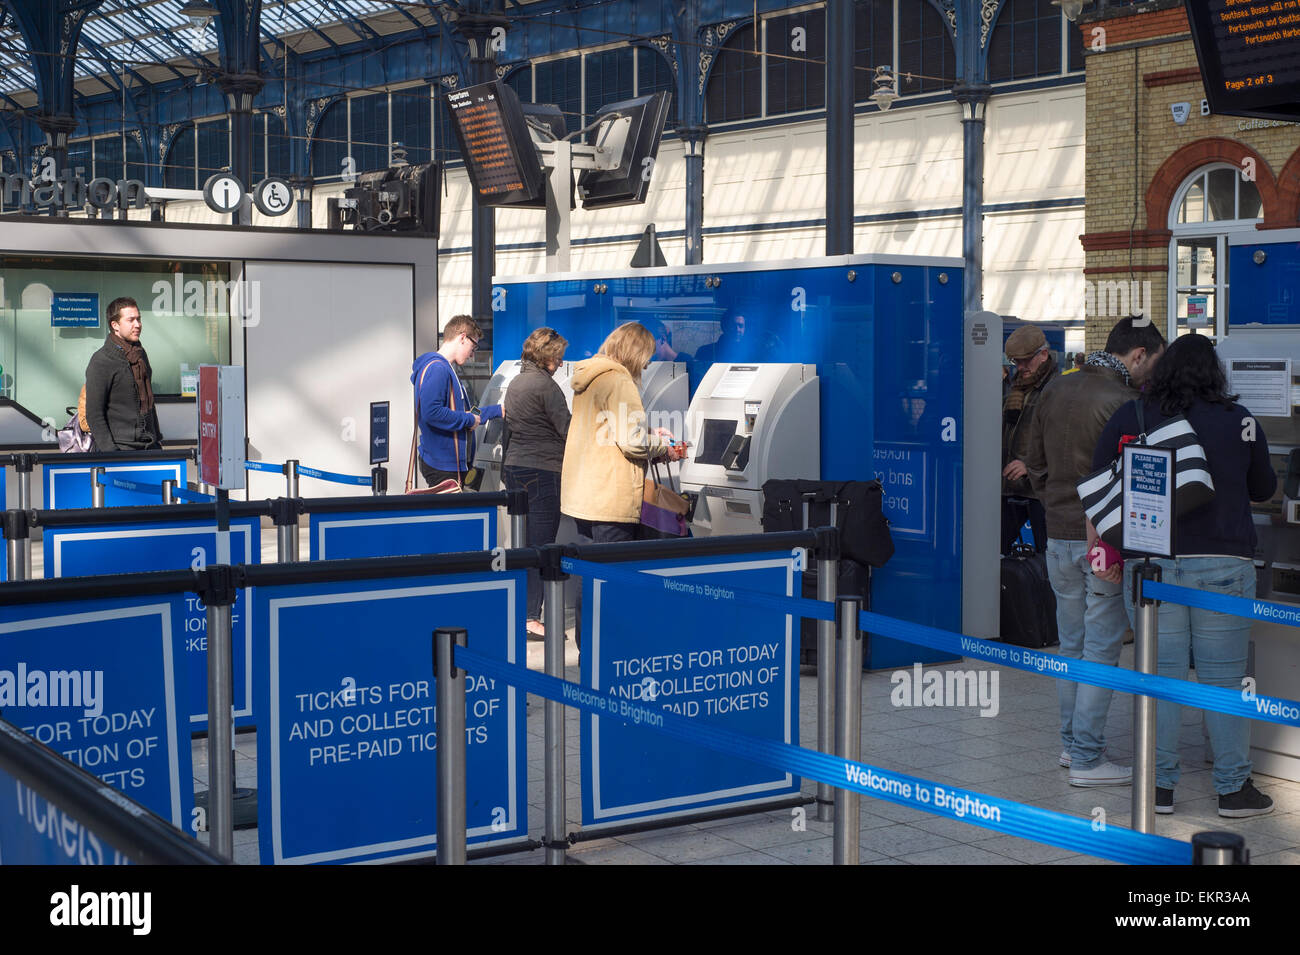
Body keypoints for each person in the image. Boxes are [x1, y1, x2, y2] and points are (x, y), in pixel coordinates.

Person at [1095, 333, 1277, 817]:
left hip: (1152, 565)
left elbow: (1099, 479)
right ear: (1214, 372)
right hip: (1224, 563)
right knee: (1223, 680)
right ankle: (1233, 790)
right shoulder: (1239, 420)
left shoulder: (1135, 415)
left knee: (1160, 677)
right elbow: (1264, 487)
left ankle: (1158, 787)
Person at [1024, 316, 1165, 786]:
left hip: (1057, 532)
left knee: (1071, 647)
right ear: (1139, 355)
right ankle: (1086, 757)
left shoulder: (1055, 390)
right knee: (1101, 651)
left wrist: (1054, 502)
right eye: (1154, 363)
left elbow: (1033, 462)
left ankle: (1071, 745)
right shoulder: (1125, 403)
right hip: (1103, 542)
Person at [561, 322, 686, 542]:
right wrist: (663, 446)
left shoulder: (592, 378)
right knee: (613, 571)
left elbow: (604, 427)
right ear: (635, 353)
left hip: (586, 496)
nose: (646, 365)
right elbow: (632, 442)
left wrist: (649, 431)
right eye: (647, 357)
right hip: (611, 498)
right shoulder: (619, 381)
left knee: (591, 571)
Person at [502, 327, 571, 639]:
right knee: (540, 547)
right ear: (548, 356)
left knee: (523, 544)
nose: (559, 364)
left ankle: (521, 612)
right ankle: (531, 617)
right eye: (557, 358)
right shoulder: (546, 387)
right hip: (543, 470)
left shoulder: (516, 381)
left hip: (517, 468)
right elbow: (567, 430)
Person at [410, 314, 501, 490]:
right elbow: (432, 413)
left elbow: (462, 412)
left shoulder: (444, 368)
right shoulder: (438, 369)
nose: (473, 355)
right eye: (473, 346)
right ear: (462, 338)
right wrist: (468, 420)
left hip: (446, 464)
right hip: (444, 467)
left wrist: (495, 411)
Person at [1001, 325, 1057, 554]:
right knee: (996, 550)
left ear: (1043, 354)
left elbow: (1058, 440)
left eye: (1026, 361)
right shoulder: (1015, 388)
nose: (1021, 367)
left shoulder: (1055, 388)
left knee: (1048, 558)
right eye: (1017, 362)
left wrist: (1028, 465)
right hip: (1010, 486)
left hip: (1039, 490)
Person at [84, 296, 163, 451]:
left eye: (139, 319)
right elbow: (94, 414)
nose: (137, 325)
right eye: (131, 320)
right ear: (115, 325)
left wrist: (157, 439)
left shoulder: (140, 354)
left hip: (149, 445)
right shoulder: (101, 360)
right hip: (120, 449)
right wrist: (111, 453)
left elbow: (149, 404)